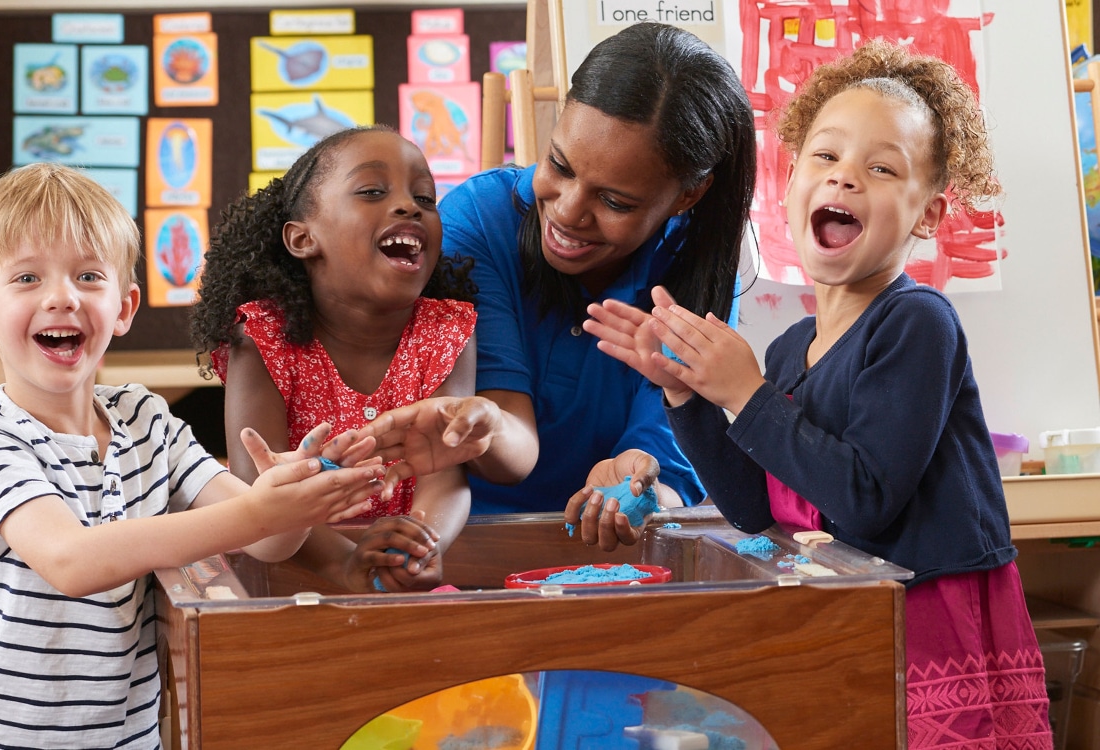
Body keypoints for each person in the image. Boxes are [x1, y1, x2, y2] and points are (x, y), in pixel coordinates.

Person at [586, 40, 1052, 746]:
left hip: (931, 621)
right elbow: (751, 507)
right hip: (850, 616)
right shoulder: (788, 348)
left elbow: (865, 495)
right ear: (792, 182)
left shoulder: (917, 321)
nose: (846, 179)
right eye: (825, 157)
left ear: (928, 214)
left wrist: (748, 395)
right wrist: (683, 393)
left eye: (882, 168)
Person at [0, 163, 385, 749]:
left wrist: (294, 497)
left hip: (135, 739)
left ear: (124, 307)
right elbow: (73, 561)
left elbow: (265, 541)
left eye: (88, 275)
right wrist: (259, 512)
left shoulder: (143, 416)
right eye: (26, 278)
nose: (61, 297)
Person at [356, 22, 757, 536]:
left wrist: (637, 485)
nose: (568, 212)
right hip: (464, 539)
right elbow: (503, 432)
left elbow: (672, 457)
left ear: (688, 195)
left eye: (615, 202)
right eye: (559, 165)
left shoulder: (700, 262)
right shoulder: (475, 222)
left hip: (613, 553)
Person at [190, 126, 478, 592]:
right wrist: (345, 564)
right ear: (303, 239)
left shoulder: (448, 330)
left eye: (425, 198)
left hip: (401, 583)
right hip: (288, 581)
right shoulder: (263, 337)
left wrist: (422, 542)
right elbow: (253, 491)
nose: (409, 206)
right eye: (371, 191)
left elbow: (447, 472)